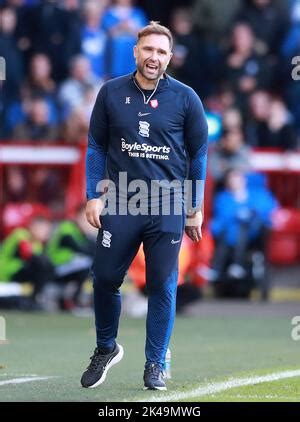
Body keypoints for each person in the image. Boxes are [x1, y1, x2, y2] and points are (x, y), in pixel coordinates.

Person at [80, 21, 208, 391]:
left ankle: (155, 363)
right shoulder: (110, 92)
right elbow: (96, 146)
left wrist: (193, 206)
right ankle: (106, 348)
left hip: (168, 205)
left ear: (170, 58)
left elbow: (198, 154)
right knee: (104, 279)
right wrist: (93, 194)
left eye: (161, 52)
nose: (154, 57)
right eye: (148, 49)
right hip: (120, 201)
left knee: (163, 285)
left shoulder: (186, 98)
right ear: (136, 51)